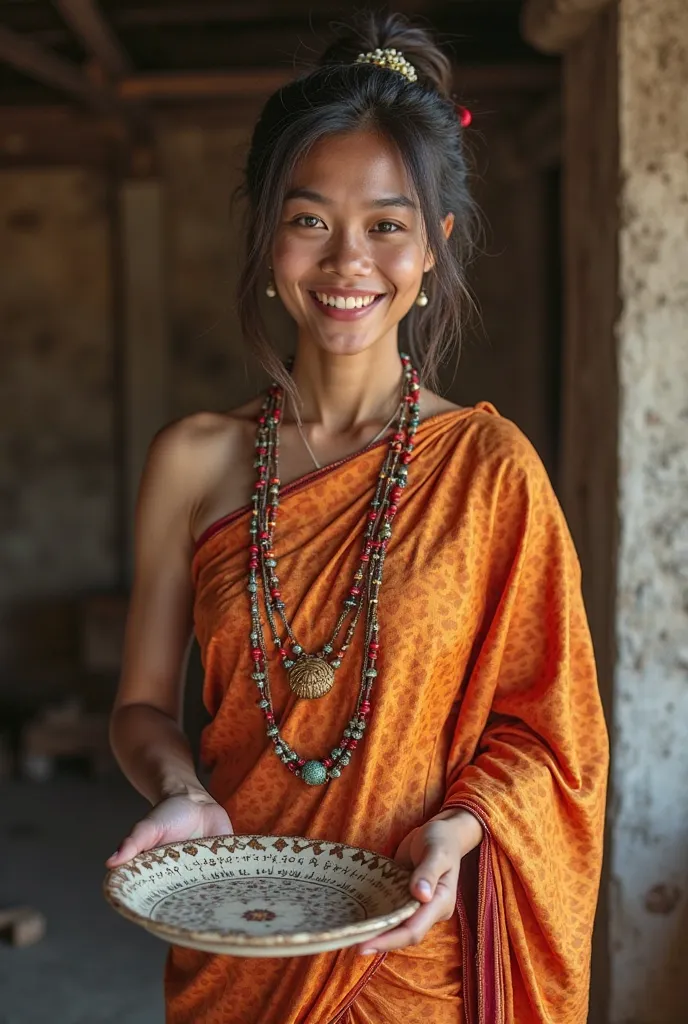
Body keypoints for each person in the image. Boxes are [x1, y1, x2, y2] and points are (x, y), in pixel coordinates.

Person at [106, 11, 608, 1023]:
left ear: (434, 248)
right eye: (308, 219)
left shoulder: (487, 468)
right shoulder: (194, 460)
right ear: (265, 236)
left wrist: (460, 832)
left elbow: (552, 736)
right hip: (239, 941)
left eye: (387, 223)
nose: (347, 261)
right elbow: (141, 707)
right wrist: (178, 786)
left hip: (412, 950)